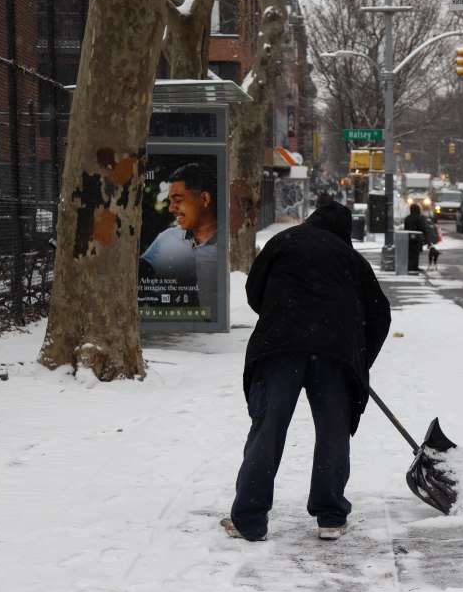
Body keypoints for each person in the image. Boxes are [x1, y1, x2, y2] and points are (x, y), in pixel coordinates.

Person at [222, 201, 391, 542]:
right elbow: (380, 315)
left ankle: (250, 519)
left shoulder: (285, 240)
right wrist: (359, 360)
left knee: (268, 428)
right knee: (333, 431)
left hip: (279, 347)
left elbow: (255, 290)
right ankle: (330, 515)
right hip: (334, 355)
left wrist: (280, 314)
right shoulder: (352, 260)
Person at [140, 162, 219, 312]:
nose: (171, 208)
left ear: (204, 199)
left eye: (178, 200)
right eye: (171, 202)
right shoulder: (166, 239)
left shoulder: (228, 244)